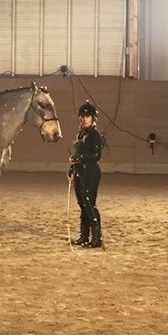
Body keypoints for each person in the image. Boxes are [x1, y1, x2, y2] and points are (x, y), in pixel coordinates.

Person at [67, 101, 103, 248]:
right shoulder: (82, 133)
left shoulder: (95, 134)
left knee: (89, 203)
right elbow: (78, 152)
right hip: (80, 172)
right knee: (82, 204)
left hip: (91, 172)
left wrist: (80, 158)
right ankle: (84, 235)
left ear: (93, 118)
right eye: (82, 116)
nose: (84, 119)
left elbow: (96, 155)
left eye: (87, 116)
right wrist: (71, 168)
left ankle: (97, 237)